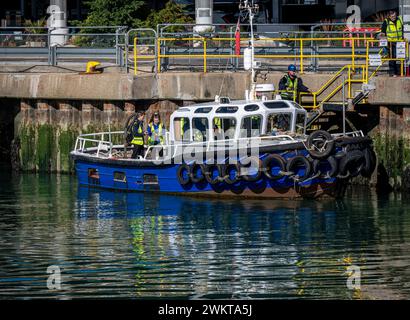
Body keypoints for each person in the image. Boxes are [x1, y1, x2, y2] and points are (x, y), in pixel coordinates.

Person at [380, 10, 404, 76]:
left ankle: (399, 72)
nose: (394, 17)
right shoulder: (386, 21)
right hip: (390, 43)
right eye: (392, 16)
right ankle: (393, 72)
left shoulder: (399, 20)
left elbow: (403, 29)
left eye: (395, 16)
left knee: (399, 57)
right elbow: (383, 32)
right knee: (392, 57)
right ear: (389, 16)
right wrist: (384, 42)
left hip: (399, 42)